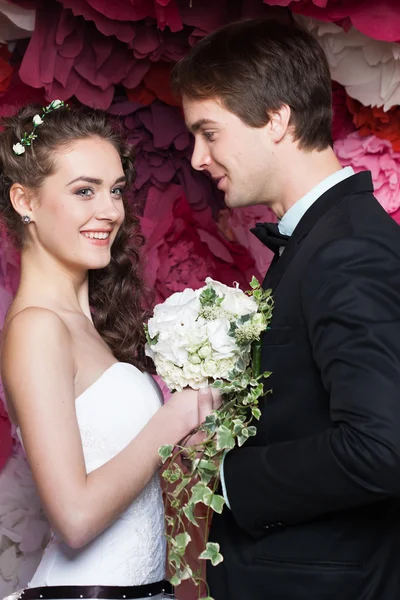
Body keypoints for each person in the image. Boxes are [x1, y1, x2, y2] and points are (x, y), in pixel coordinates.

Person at [171, 18, 400, 600]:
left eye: (208, 132)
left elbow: (383, 447)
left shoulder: (346, 248)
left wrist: (229, 472)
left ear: (276, 118)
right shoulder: (324, 239)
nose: (198, 157)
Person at [0, 102, 219, 600]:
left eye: (117, 189)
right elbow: (75, 518)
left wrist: (193, 446)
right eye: (84, 191)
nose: (111, 211)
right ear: (24, 200)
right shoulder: (38, 327)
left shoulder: (85, 324)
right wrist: (171, 420)